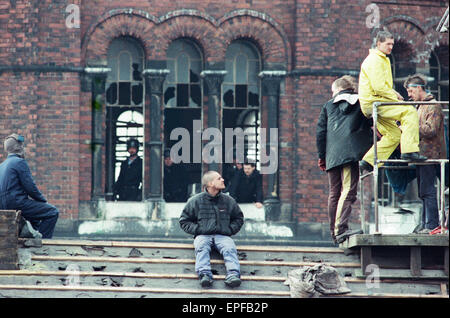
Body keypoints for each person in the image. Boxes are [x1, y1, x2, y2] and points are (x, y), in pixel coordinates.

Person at [358, 30, 426, 173]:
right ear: (378, 43)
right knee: (409, 111)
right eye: (388, 44)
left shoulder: (379, 59)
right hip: (375, 102)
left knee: (394, 135)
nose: (390, 47)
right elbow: (378, 87)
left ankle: (368, 161)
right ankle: (409, 151)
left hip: (374, 102)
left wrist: (394, 93)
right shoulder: (375, 60)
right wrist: (395, 97)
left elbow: (381, 85)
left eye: (392, 44)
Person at [316, 76, 372, 244]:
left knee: (334, 193)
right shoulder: (361, 103)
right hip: (350, 154)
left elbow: (320, 133)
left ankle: (334, 232)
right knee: (348, 191)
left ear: (338, 90)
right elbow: (370, 121)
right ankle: (341, 229)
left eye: (333, 92)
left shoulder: (328, 106)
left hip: (331, 155)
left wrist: (321, 156)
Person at [179, 170, 244, 288]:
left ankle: (233, 274)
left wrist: (229, 230)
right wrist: (198, 230)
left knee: (229, 248)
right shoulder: (195, 201)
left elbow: (238, 218)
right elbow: (184, 220)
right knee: (201, 247)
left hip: (223, 236)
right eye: (219, 178)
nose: (223, 180)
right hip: (203, 235)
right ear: (210, 184)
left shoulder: (229, 200)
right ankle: (204, 275)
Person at [404, 74, 447, 233]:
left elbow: (431, 130)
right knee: (423, 191)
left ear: (418, 88)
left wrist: (410, 127)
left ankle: (432, 224)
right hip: (422, 155)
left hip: (431, 155)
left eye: (410, 91)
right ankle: (425, 223)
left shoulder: (433, 106)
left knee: (428, 190)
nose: (409, 95)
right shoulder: (420, 105)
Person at [0, 134, 59, 238]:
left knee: (35, 218)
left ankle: (31, 237)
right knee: (52, 212)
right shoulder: (19, 162)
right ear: (19, 147)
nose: (24, 147)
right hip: (18, 204)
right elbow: (30, 187)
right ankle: (44, 243)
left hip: (4, 206)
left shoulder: (2, 165)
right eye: (22, 145)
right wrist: (42, 201)